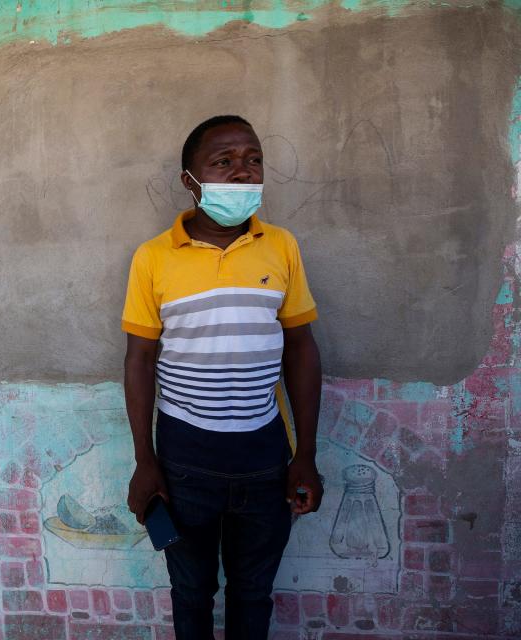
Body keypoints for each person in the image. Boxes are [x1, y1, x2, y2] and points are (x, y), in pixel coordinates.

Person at [122, 115, 323, 640]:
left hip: (263, 454)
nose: (242, 172)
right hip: (186, 457)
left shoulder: (281, 247)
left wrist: (304, 454)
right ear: (190, 179)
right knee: (191, 593)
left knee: (253, 593)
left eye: (253, 160)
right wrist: (146, 461)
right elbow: (140, 360)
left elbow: (300, 348)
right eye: (223, 162)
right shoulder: (153, 257)